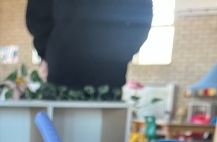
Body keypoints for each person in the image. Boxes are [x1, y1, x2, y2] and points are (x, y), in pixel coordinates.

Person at [25, 0, 153, 90]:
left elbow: (141, 16)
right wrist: (48, 52)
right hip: (66, 67)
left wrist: (123, 53)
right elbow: (37, 16)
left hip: (107, 70)